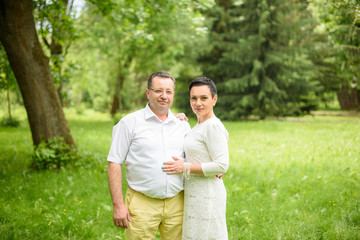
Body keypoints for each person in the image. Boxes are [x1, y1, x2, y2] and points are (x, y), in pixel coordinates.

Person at [107, 72, 191, 240]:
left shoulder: (182, 125)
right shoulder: (129, 123)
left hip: (177, 203)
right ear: (148, 93)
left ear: (173, 94)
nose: (164, 96)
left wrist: (215, 167)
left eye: (169, 91)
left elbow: (194, 157)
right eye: (158, 90)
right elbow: (114, 163)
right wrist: (118, 205)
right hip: (142, 202)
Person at [162, 77, 229, 240]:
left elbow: (222, 165)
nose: (198, 103)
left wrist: (184, 167)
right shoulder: (199, 125)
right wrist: (177, 121)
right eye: (194, 98)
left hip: (208, 194)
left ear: (214, 99)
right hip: (194, 193)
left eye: (204, 98)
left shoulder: (213, 125)